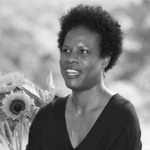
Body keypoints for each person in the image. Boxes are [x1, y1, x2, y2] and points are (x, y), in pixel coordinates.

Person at [26, 4, 142, 150]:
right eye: (66, 50)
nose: (71, 58)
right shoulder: (46, 117)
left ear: (105, 58)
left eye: (83, 51)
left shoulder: (121, 117)